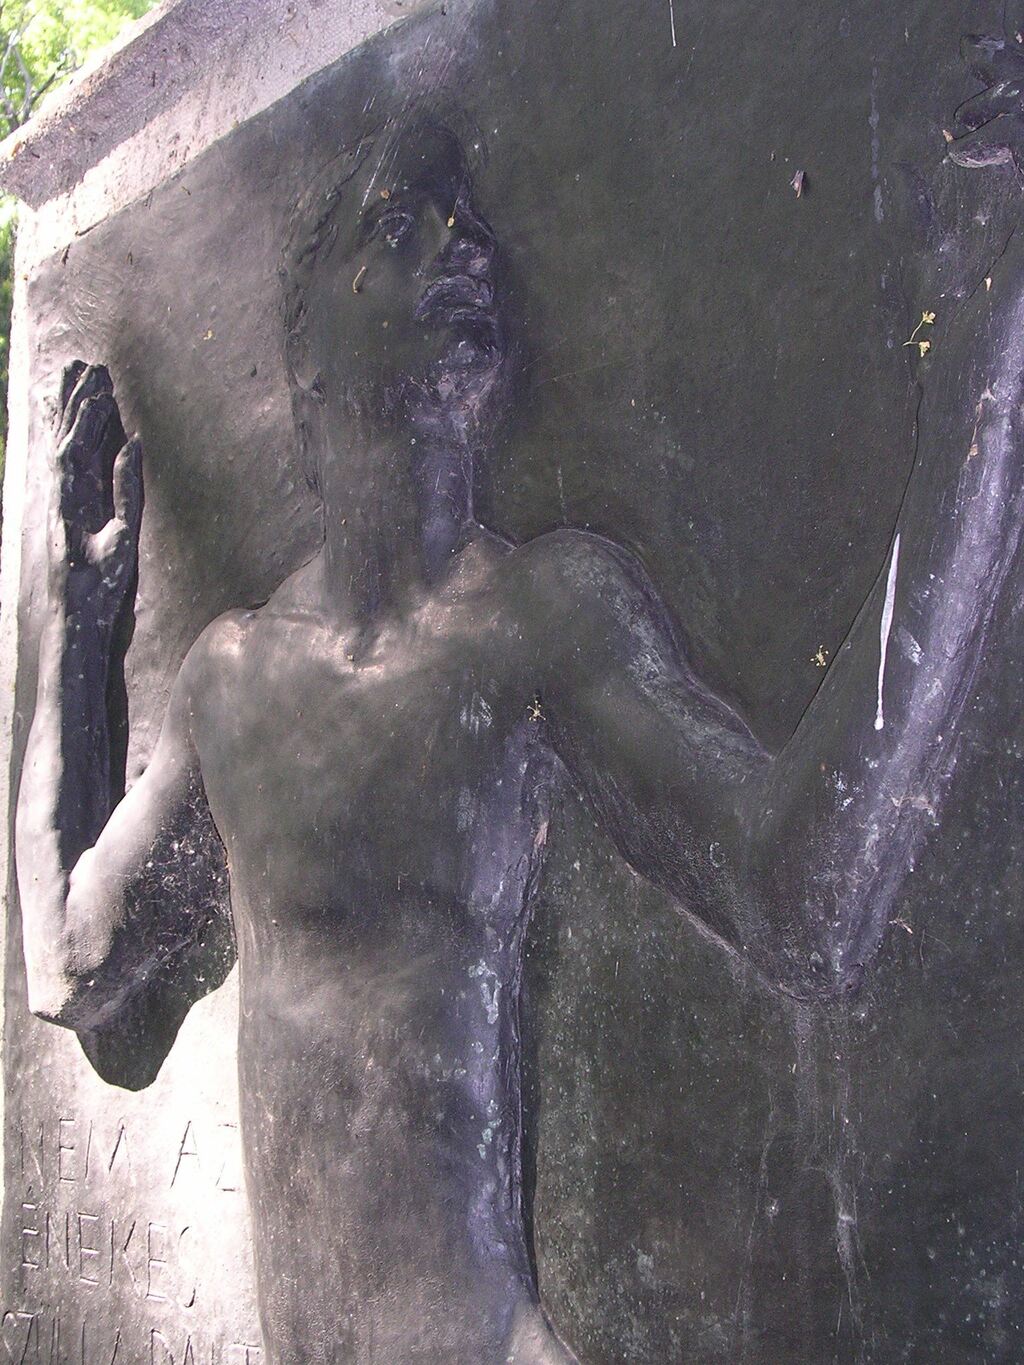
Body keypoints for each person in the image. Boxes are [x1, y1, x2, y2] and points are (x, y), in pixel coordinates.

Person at [15, 115, 1024, 1364]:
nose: (463, 247)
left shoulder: (542, 622)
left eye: (470, 226)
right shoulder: (228, 680)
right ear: (306, 353)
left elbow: (804, 907)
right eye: (399, 225)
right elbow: (73, 968)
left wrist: (980, 379)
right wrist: (73, 631)